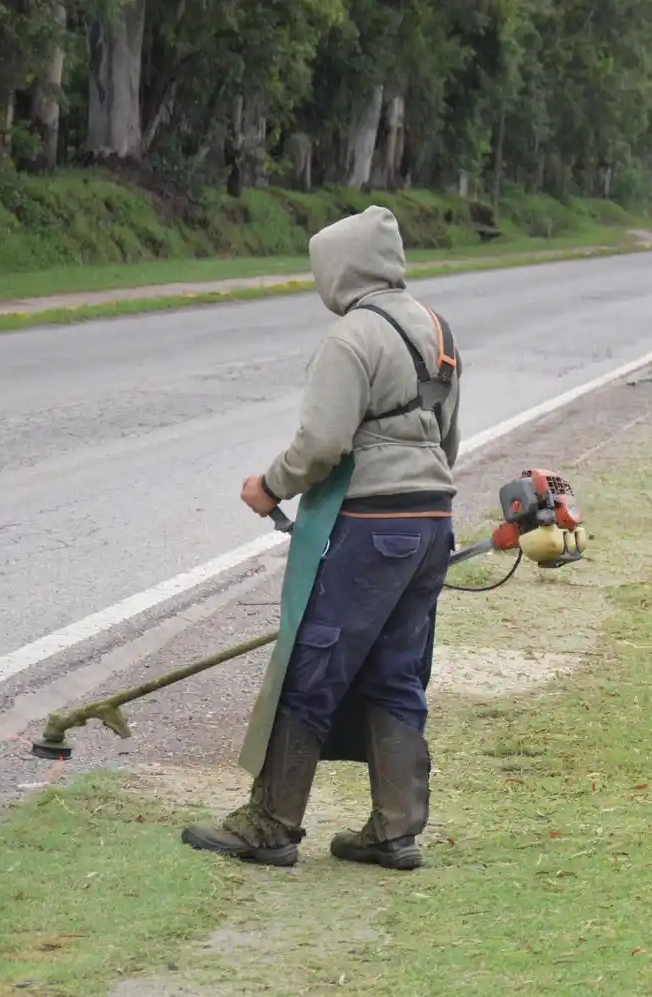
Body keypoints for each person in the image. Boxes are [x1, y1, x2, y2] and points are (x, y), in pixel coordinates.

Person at [182, 204, 462, 870]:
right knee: (397, 672)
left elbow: (324, 443)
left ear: (341, 269)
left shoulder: (351, 338)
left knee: (313, 660)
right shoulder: (438, 329)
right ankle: (395, 830)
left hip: (370, 522)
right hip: (431, 519)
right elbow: (447, 438)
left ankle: (270, 821)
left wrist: (271, 486)